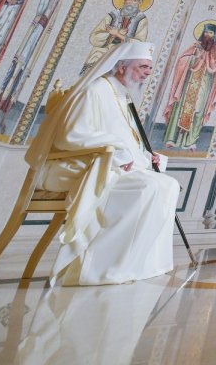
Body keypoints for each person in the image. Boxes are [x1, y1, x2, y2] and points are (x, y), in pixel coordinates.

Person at [25, 40, 179, 285]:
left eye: (149, 68)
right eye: (143, 67)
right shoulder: (94, 90)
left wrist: (147, 157)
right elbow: (71, 135)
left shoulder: (123, 97)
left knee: (169, 185)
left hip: (111, 165)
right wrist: (118, 155)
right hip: (80, 165)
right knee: (147, 187)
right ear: (122, 67)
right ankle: (96, 268)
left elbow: (130, 142)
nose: (147, 73)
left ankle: (137, 265)